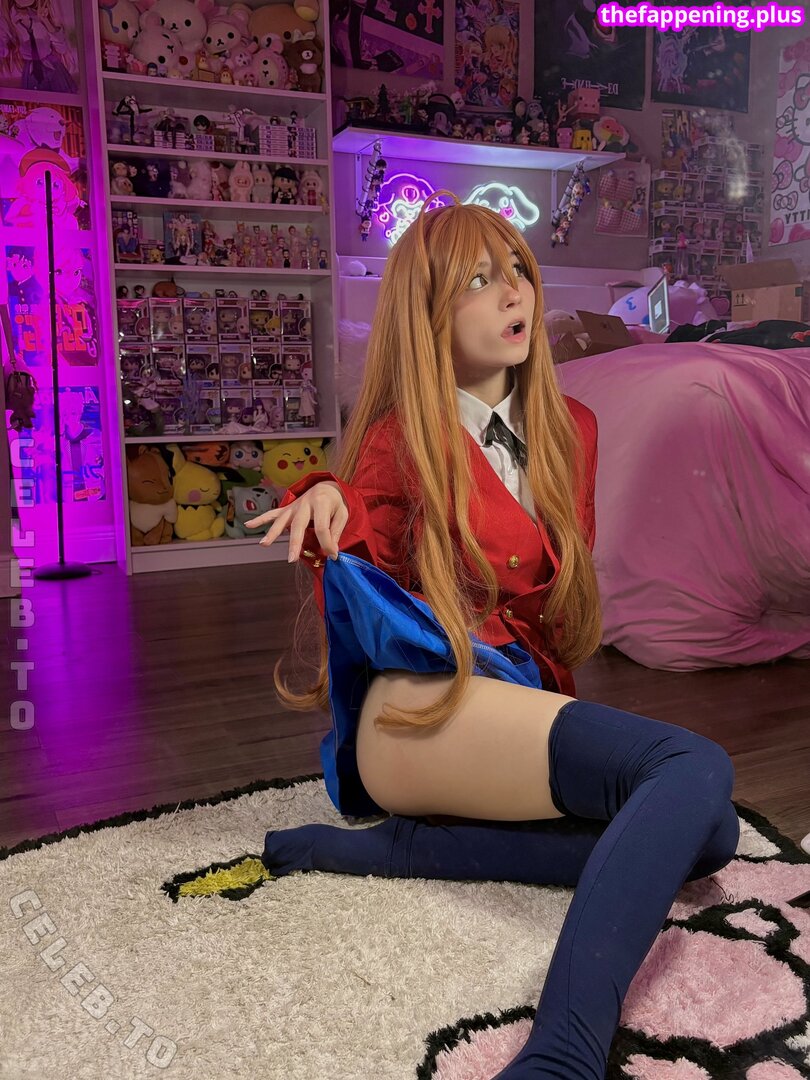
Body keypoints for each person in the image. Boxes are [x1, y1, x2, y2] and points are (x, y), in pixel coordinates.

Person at [245, 194, 739, 1079]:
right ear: (429, 315)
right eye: (479, 280)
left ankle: (408, 850)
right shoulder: (403, 439)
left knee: (711, 836)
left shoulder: (572, 429)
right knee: (689, 768)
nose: (514, 293)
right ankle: (562, 1055)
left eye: (517, 269)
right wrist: (322, 496)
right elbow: (359, 509)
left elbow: (558, 603)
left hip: (510, 706)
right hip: (419, 715)